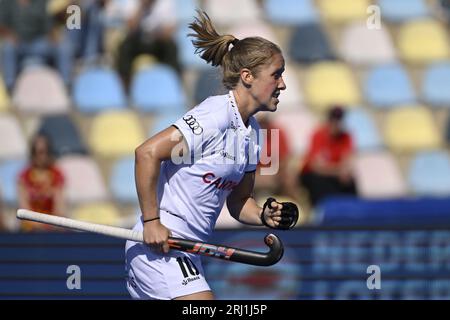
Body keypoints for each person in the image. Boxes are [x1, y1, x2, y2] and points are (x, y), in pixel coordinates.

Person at [125, 11, 299, 300]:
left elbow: (239, 202)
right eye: (276, 75)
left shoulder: (254, 134)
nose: (282, 84)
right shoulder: (214, 115)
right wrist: (152, 221)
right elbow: (147, 153)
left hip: (186, 249)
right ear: (247, 77)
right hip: (159, 245)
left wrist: (265, 214)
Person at [0, 0, 75, 91]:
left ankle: (66, 86)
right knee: (7, 47)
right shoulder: (6, 2)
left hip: (39, 43)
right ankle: (10, 87)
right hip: (17, 44)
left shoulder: (42, 2)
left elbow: (49, 25)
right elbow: (2, 25)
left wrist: (54, 36)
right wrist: (9, 35)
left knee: (64, 46)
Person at [299, 106, 357, 206]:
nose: (336, 124)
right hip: (312, 174)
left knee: (350, 181)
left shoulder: (346, 137)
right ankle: (321, 211)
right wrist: (338, 171)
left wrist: (342, 171)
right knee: (320, 182)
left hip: (333, 174)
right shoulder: (318, 135)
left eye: (339, 120)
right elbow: (316, 167)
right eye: (334, 120)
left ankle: (352, 210)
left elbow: (348, 160)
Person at [116, 0, 180, 89]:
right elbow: (130, 27)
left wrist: (155, 34)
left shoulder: (166, 2)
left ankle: (172, 84)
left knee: (171, 47)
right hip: (137, 40)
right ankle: (124, 86)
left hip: (158, 41)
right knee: (125, 46)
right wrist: (141, 6)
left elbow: (170, 31)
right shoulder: (133, 2)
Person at [18, 134, 66, 232]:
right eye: (37, 152)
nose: (41, 156)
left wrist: (47, 226)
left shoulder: (56, 175)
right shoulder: (24, 176)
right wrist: (38, 225)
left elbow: (59, 207)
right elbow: (24, 208)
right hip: (30, 228)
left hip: (52, 227)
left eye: (44, 152)